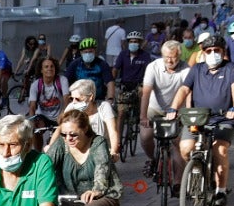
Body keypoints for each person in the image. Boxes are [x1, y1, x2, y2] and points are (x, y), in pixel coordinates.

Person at [168, 31, 234, 206]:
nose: (213, 53)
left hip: (224, 118)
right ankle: (199, 171)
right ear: (203, 52)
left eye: (217, 50)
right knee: (186, 148)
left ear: (223, 51)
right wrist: (173, 108)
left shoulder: (231, 68)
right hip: (198, 117)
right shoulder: (197, 69)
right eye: (209, 51)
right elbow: (184, 89)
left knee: (220, 150)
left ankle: (220, 191)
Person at [45, 108, 122, 206]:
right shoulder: (61, 145)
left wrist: (97, 189)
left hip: (103, 196)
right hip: (70, 198)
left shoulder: (97, 143)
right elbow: (45, 166)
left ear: (85, 129)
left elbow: (102, 167)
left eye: (73, 134)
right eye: (64, 134)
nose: (68, 138)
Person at [140, 39, 188, 165]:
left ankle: (178, 177)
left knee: (178, 143)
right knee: (145, 137)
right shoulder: (153, 67)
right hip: (155, 108)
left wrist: (188, 113)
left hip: (177, 110)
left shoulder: (186, 68)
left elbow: (188, 92)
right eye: (166, 57)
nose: (169, 61)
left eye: (173, 57)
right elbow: (146, 93)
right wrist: (143, 116)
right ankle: (152, 160)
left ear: (179, 56)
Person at [111, 31, 152, 159]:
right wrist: (112, 80)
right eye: (131, 41)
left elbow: (149, 72)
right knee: (121, 112)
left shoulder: (145, 56)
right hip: (125, 85)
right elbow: (115, 69)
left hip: (139, 84)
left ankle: (140, 115)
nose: (133, 44)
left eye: (136, 42)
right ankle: (118, 141)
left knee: (142, 92)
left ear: (140, 43)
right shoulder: (123, 54)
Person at [66, 79, 120, 160]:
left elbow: (113, 131)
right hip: (78, 152)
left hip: (101, 152)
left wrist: (113, 152)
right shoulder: (71, 108)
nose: (74, 102)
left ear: (90, 97)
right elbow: (60, 129)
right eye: (71, 98)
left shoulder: (104, 107)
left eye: (78, 99)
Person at [65, 37, 114, 102]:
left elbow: (110, 82)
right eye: (85, 52)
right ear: (81, 52)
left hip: (98, 100)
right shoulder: (75, 64)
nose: (88, 54)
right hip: (80, 100)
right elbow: (65, 81)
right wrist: (68, 99)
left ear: (95, 51)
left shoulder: (102, 64)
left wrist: (110, 99)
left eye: (90, 51)